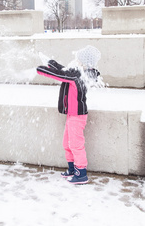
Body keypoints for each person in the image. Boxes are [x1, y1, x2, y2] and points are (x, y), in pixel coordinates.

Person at [36, 45, 102, 184]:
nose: (76, 61)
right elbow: (63, 70)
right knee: (67, 143)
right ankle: (72, 168)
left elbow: (59, 75)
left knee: (76, 144)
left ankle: (81, 173)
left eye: (78, 59)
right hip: (72, 115)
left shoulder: (79, 75)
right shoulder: (79, 72)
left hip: (77, 116)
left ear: (84, 62)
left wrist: (40, 69)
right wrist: (50, 62)